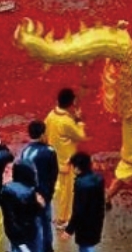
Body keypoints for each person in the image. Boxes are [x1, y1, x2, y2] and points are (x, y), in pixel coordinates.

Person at [44, 88, 87, 229]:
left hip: (53, 159)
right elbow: (80, 136)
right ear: (71, 103)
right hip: (66, 162)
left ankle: (60, 217)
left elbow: (45, 135)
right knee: (67, 193)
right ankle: (62, 220)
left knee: (60, 190)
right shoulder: (67, 121)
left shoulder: (50, 115)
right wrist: (79, 121)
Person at [20, 120, 59, 252]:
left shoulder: (25, 151)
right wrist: (49, 194)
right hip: (44, 195)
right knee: (45, 223)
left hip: (29, 195)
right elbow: (53, 174)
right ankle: (47, 248)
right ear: (43, 134)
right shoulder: (49, 151)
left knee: (34, 224)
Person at [61, 152, 105, 252]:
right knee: (88, 245)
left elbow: (78, 210)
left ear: (77, 168)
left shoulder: (81, 184)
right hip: (96, 220)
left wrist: (69, 230)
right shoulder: (99, 178)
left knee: (85, 247)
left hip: (84, 224)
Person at [1, 161, 45, 252]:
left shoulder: (7, 189)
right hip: (29, 232)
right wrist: (40, 205)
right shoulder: (29, 191)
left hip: (15, 234)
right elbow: (34, 212)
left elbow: (10, 216)